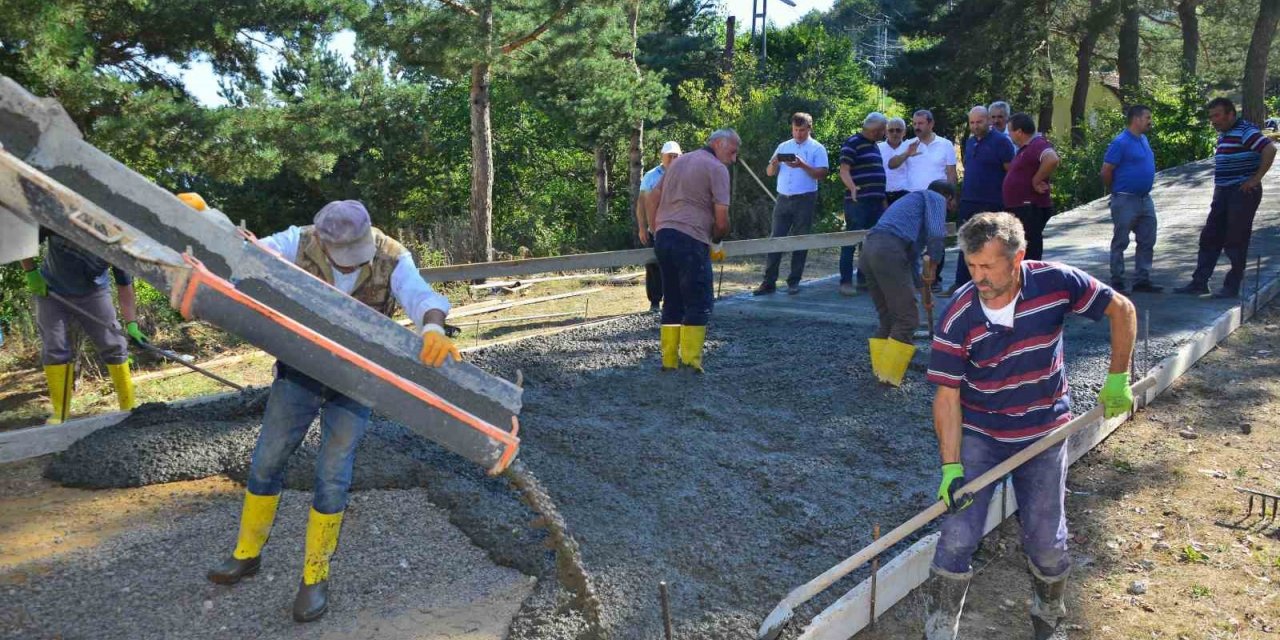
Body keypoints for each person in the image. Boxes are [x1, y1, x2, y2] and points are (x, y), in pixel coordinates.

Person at [206, 200, 459, 623]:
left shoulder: (392, 256)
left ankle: (315, 575)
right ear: (323, 240)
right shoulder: (297, 240)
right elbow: (247, 253)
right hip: (300, 371)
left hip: (356, 382)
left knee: (332, 474)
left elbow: (420, 296)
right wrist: (209, 223)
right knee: (267, 459)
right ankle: (246, 553)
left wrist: (432, 327)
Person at [924, 212, 1137, 640]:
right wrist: (951, 466)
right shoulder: (959, 315)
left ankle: (1049, 613)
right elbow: (946, 397)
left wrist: (1118, 376)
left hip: (1044, 430)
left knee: (1045, 539)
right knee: (958, 534)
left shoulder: (1056, 283)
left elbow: (1122, 309)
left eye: (988, 266)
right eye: (971, 266)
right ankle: (940, 626)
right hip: (981, 432)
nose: (978, 277)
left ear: (1018, 257)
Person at [19, 231, 146, 424]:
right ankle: (60, 413)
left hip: (94, 293)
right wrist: (31, 272)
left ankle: (128, 407)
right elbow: (23, 240)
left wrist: (132, 324)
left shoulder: (118, 243)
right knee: (54, 347)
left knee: (114, 344)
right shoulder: (61, 221)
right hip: (51, 291)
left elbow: (124, 287)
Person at [646, 129, 737, 372]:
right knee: (699, 301)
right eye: (732, 151)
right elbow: (721, 219)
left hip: (665, 238)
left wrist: (656, 230)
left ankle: (669, 361)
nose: (734, 158)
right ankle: (690, 362)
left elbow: (652, 198)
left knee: (672, 300)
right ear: (718, 143)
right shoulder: (717, 168)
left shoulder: (679, 162)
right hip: (691, 239)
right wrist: (717, 241)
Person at [1174, 97, 1276, 298]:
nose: (1213, 120)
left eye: (1217, 115)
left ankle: (1231, 286)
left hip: (1242, 193)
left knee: (1236, 238)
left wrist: (1255, 179)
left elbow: (1270, 149)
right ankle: (1199, 282)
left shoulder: (1246, 131)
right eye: (1211, 116)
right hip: (1223, 192)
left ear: (1230, 114)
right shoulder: (1224, 134)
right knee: (1210, 236)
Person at [860, 180, 955, 387]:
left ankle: (880, 374)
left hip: (869, 249)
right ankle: (888, 379)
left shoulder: (911, 208)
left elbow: (912, 261)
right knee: (908, 319)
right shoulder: (935, 197)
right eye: (951, 204)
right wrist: (935, 263)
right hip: (888, 250)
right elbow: (937, 234)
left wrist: (925, 294)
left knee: (888, 319)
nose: (948, 210)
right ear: (948, 197)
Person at [755, 113, 830, 296]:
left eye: (802, 130)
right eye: (795, 130)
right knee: (776, 239)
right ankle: (768, 282)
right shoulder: (783, 146)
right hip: (783, 198)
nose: (798, 134)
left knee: (800, 239)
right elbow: (769, 172)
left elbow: (822, 174)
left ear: (809, 128)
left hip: (805, 198)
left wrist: (803, 165)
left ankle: (794, 281)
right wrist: (774, 164)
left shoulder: (817, 148)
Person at [948, 105, 1015, 296]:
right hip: (969, 200)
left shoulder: (1001, 142)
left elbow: (1011, 172)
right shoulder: (970, 142)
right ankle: (961, 285)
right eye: (972, 122)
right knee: (965, 243)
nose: (975, 126)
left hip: (992, 202)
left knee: (990, 245)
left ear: (988, 120)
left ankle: (993, 284)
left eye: (979, 122)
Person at [889, 109, 957, 289]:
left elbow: (951, 173)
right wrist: (906, 154)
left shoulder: (945, 144)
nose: (916, 127)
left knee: (936, 238)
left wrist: (952, 197)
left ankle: (935, 279)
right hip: (914, 200)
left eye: (920, 123)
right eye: (914, 123)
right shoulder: (909, 144)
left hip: (937, 200)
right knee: (912, 240)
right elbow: (892, 164)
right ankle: (914, 278)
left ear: (931, 124)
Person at [1102, 104, 1162, 293]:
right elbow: (1106, 170)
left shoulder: (1143, 139)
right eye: (1147, 117)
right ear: (1136, 119)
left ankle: (1142, 280)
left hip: (1145, 199)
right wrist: (1115, 192)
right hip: (1125, 199)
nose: (1150, 121)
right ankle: (1117, 280)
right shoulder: (1120, 142)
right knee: (1121, 240)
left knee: (1147, 239)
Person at [838, 112, 889, 296]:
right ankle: (845, 282)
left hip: (876, 202)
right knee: (851, 241)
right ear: (876, 130)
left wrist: (883, 199)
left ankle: (863, 279)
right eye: (883, 130)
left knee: (869, 242)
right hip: (858, 202)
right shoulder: (853, 142)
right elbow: (844, 170)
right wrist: (852, 188)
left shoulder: (874, 145)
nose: (885, 133)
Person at [1002, 112, 1060, 261]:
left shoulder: (1037, 144)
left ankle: (1031, 271)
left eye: (1010, 131)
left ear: (1019, 132)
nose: (1009, 135)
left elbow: (1052, 159)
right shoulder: (1025, 148)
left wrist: (1036, 180)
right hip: (1021, 207)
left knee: (1030, 246)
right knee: (1020, 246)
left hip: (1029, 207)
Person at [638, 141, 683, 311]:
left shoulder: (685, 174)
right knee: (654, 265)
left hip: (679, 227)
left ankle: (675, 301)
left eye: (675, 156)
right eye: (669, 156)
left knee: (678, 264)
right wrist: (642, 227)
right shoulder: (651, 176)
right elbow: (641, 203)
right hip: (655, 227)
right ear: (662, 156)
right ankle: (655, 301)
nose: (672, 159)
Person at [880, 117, 912, 205]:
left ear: (904, 132)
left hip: (905, 194)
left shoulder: (911, 148)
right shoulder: (878, 148)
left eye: (898, 130)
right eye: (891, 130)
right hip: (882, 194)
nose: (895, 133)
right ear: (886, 132)